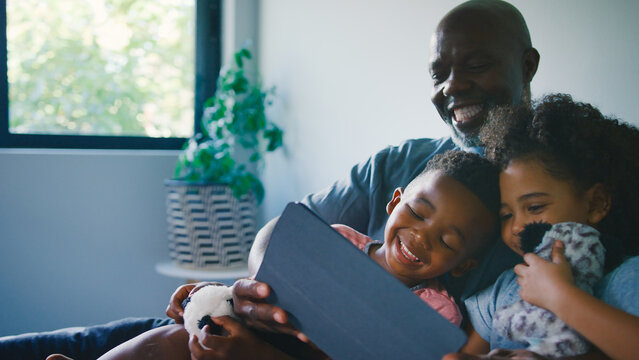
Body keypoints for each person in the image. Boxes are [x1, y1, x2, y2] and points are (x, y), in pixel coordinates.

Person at [1, 0, 541, 358]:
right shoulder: (403, 162)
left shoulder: (559, 195)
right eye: (438, 72)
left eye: (475, 65)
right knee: (152, 337)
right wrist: (259, 294)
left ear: (527, 65)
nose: (453, 86)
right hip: (263, 327)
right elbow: (278, 235)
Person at [83, 150, 502, 360]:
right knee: (173, 340)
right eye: (417, 213)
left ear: (464, 263)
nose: (422, 238)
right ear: (394, 202)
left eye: (448, 242)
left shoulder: (437, 314)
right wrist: (213, 297)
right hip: (260, 334)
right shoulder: (335, 240)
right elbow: (266, 292)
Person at [446, 94, 639, 360]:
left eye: (535, 207)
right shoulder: (507, 287)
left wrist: (559, 296)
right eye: (505, 215)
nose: (516, 227)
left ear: (595, 204)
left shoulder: (626, 278)